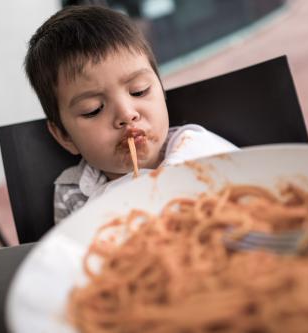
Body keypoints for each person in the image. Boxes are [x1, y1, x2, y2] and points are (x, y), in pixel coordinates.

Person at [24, 5, 238, 224]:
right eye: (93, 109)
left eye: (139, 90)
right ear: (64, 136)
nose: (127, 114)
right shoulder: (72, 195)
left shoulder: (201, 152)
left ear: (161, 90)